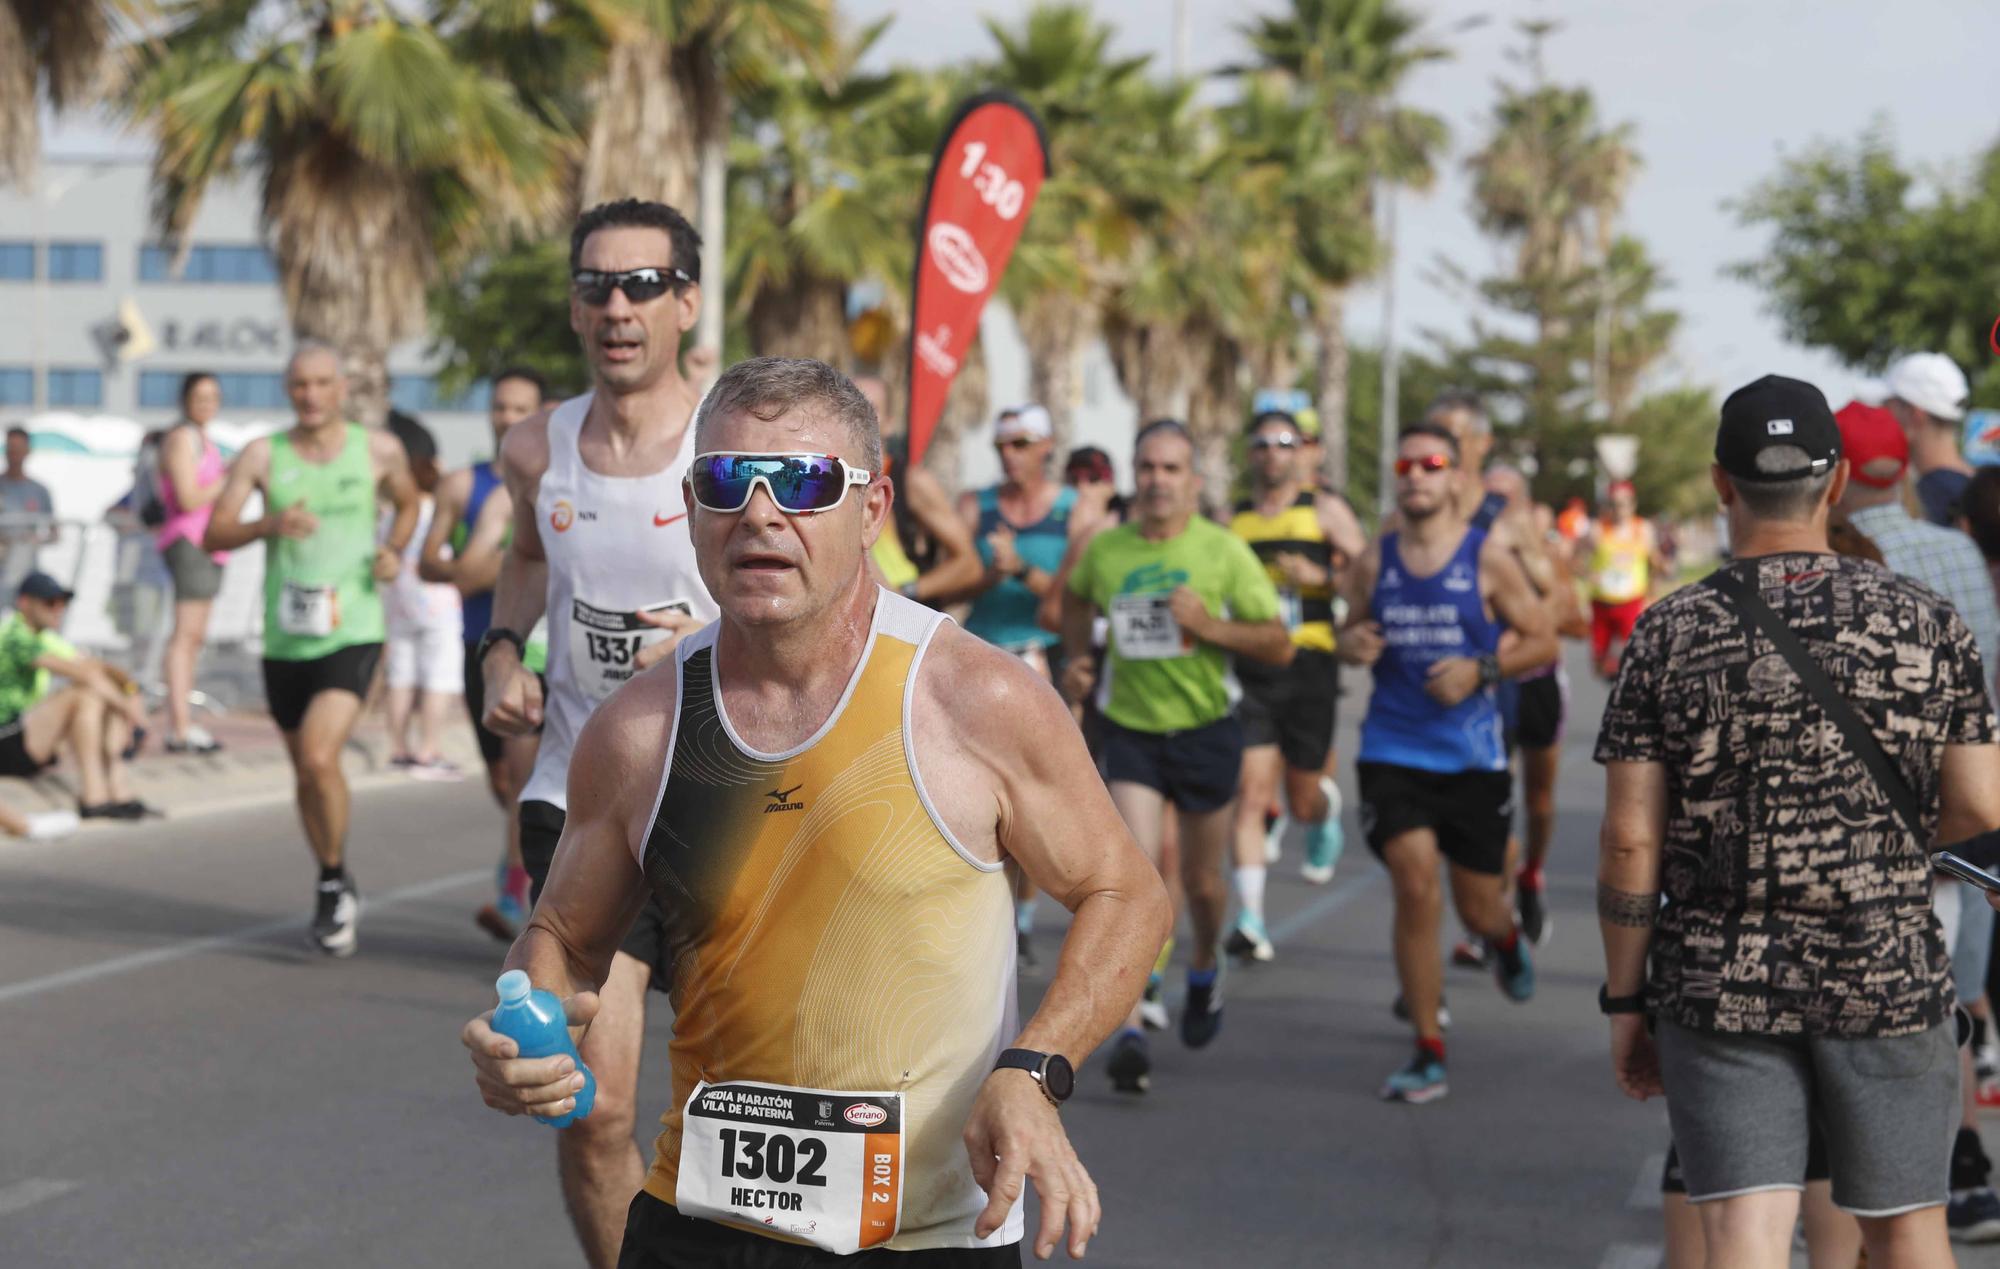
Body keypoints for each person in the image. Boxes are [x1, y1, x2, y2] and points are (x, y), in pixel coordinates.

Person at [462, 356, 1171, 1267]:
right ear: (691, 507)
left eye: (802, 482)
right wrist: (532, 1020)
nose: (761, 512)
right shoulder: (639, 728)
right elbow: (562, 931)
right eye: (728, 480)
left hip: (927, 1237)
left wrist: (1036, 1068)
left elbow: (1127, 893)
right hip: (698, 1226)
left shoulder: (971, 699)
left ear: (870, 509)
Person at [1596, 373, 2000, 1268]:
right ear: (1838, 480)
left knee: (1745, 1231)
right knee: (1906, 1226)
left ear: (1720, 482)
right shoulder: (1927, 623)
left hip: (1718, 978)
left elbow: (1630, 837)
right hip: (1885, 970)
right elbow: (1980, 802)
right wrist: (1880, 845)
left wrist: (1626, 997)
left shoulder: (1669, 631)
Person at [474, 199, 720, 1269]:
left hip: (733, 803)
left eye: (641, 286)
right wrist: (499, 649)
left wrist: (707, 640)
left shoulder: (735, 438)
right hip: (582, 800)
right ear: (574, 306)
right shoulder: (536, 445)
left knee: (754, 1112)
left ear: (685, 302)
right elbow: (525, 561)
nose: (616, 307)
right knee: (593, 1108)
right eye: (595, 287)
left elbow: (840, 594)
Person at [1060, 418, 1292, 1093]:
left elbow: (1279, 642)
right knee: (1135, 877)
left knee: (1202, 881)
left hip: (1205, 729)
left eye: (1171, 468)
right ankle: (1129, 1025)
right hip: (1131, 730)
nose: (1158, 480)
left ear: (1193, 479)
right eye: (1148, 467)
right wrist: (1079, 659)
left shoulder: (1222, 551)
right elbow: (1072, 602)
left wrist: (1210, 626)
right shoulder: (1107, 552)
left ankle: (1203, 961)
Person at [1338, 422, 1556, 1104]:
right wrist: (1354, 644)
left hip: (1470, 756)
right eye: (1404, 464)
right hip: (1392, 747)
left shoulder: (1486, 558)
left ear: (1456, 477)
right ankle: (1428, 1045)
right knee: (1413, 882)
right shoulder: (1375, 560)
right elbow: (1348, 630)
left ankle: (1505, 937)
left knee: (1478, 905)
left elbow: (1543, 638)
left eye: (1431, 463)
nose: (1415, 475)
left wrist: (1481, 667)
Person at [1831, 398, 2000, 1243]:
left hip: (1842, 845)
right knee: (1951, 1006)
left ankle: (1848, 1207)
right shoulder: (1959, 551)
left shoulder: (1824, 560)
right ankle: (1960, 1170)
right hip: (1955, 829)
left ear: (1836, 473)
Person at [204, 343, 420, 958]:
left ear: (341, 387)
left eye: (322, 383)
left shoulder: (376, 448)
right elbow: (214, 530)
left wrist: (395, 549)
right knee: (304, 770)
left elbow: (408, 502)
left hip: (352, 629)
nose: (311, 395)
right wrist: (266, 525)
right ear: (287, 388)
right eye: (300, 385)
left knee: (322, 758)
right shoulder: (261, 456)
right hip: (284, 638)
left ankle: (330, 887)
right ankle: (333, 871)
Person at [1224, 406, 1365, 962]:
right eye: (1262, 444)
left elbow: (1368, 574)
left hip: (1310, 663)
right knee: (1252, 797)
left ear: (1299, 452)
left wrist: (1325, 578)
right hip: (1253, 666)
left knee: (1302, 797)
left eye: (1284, 443)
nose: (1273, 453)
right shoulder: (1232, 521)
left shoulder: (1324, 511)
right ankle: (1251, 921)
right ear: (1250, 453)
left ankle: (1322, 815)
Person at [419, 367, 547, 941]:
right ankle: (518, 865)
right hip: (479, 644)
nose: (507, 418)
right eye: (499, 407)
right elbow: (435, 567)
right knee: (503, 781)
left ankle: (518, 894)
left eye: (520, 408)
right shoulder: (465, 487)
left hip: (537, 648)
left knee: (525, 776)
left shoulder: (557, 481)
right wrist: (505, 563)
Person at [956, 404, 1074, 959]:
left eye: (1022, 443)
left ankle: (1023, 916)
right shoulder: (974, 507)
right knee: (975, 796)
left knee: (1031, 799)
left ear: (1047, 446)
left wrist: (1023, 570)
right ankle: (989, 913)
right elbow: (951, 584)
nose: (1010, 454)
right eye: (1003, 444)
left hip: (1045, 660)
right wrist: (988, 573)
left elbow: (1075, 599)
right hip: (981, 659)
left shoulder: (1073, 510)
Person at [1481, 465, 1587, 947]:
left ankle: (1531, 875)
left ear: (1522, 505)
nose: (1495, 508)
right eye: (1488, 497)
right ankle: (1493, 917)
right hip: (1487, 689)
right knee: (1492, 803)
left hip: (1538, 684)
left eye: (1505, 499)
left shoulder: (1542, 551)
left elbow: (1576, 621)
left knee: (1538, 801)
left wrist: (1532, 617)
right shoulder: (1468, 550)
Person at [0, 570, 151, 823]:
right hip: (5, 738)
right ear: (25, 603)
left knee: (95, 692)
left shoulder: (44, 637)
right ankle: (95, 794)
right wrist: (135, 716)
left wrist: (131, 689)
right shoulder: (14, 635)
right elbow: (83, 673)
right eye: (50, 602)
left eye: (62, 602)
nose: (58, 608)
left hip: (24, 738)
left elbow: (98, 668)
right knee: (82, 694)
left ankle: (115, 788)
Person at [381, 411, 464, 780]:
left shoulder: (390, 514)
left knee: (401, 674)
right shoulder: (435, 508)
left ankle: (398, 748)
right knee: (439, 676)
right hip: (437, 602)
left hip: (398, 601)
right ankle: (429, 750)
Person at [854, 375, 984, 606]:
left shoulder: (911, 480)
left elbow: (969, 565)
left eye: (869, 408)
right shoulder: (828, 478)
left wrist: (904, 593)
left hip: (902, 623)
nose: (857, 417)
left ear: (890, 423)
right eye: (850, 406)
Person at [155, 372, 230, 754]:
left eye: (213, 396)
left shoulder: (206, 440)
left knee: (194, 637)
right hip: (189, 541)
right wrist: (228, 477)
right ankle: (179, 726)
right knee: (185, 636)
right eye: (200, 396)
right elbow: (188, 497)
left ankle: (184, 722)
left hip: (211, 545)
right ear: (186, 399)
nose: (206, 403)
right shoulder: (181, 439)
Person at [1577, 480, 1663, 680]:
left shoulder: (1643, 529)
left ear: (1633, 504)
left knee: (1635, 659)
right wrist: (1588, 574)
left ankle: (1628, 696)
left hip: (1631, 601)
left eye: (1624, 503)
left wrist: (1653, 593)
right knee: (1598, 663)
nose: (1619, 509)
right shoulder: (1597, 530)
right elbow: (1575, 561)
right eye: (1614, 503)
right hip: (1602, 603)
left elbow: (1655, 564)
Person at [1884, 351, 1974, 526]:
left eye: (1887, 405)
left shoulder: (1928, 498)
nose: (1881, 415)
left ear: (1914, 414)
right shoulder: (1981, 487)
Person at [0, 425, 56, 596]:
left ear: (28, 451)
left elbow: (54, 533)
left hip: (27, 575)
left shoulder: (40, 491)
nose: (14, 455)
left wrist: (33, 540)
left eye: (19, 449)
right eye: (11, 449)